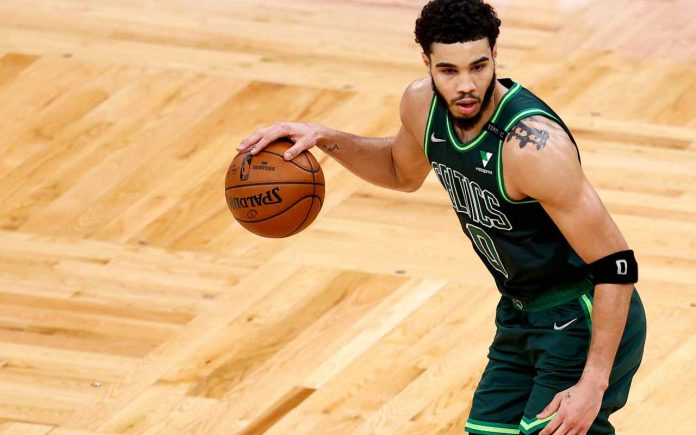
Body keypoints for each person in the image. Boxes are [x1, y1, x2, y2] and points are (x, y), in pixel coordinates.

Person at [238, 0, 646, 433]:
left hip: (582, 315)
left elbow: (616, 264)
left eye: (478, 67)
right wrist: (323, 137)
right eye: (449, 70)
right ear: (427, 62)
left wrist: (594, 382)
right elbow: (399, 171)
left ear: (495, 55)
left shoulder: (532, 148)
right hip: (520, 312)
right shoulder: (422, 105)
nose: (466, 85)